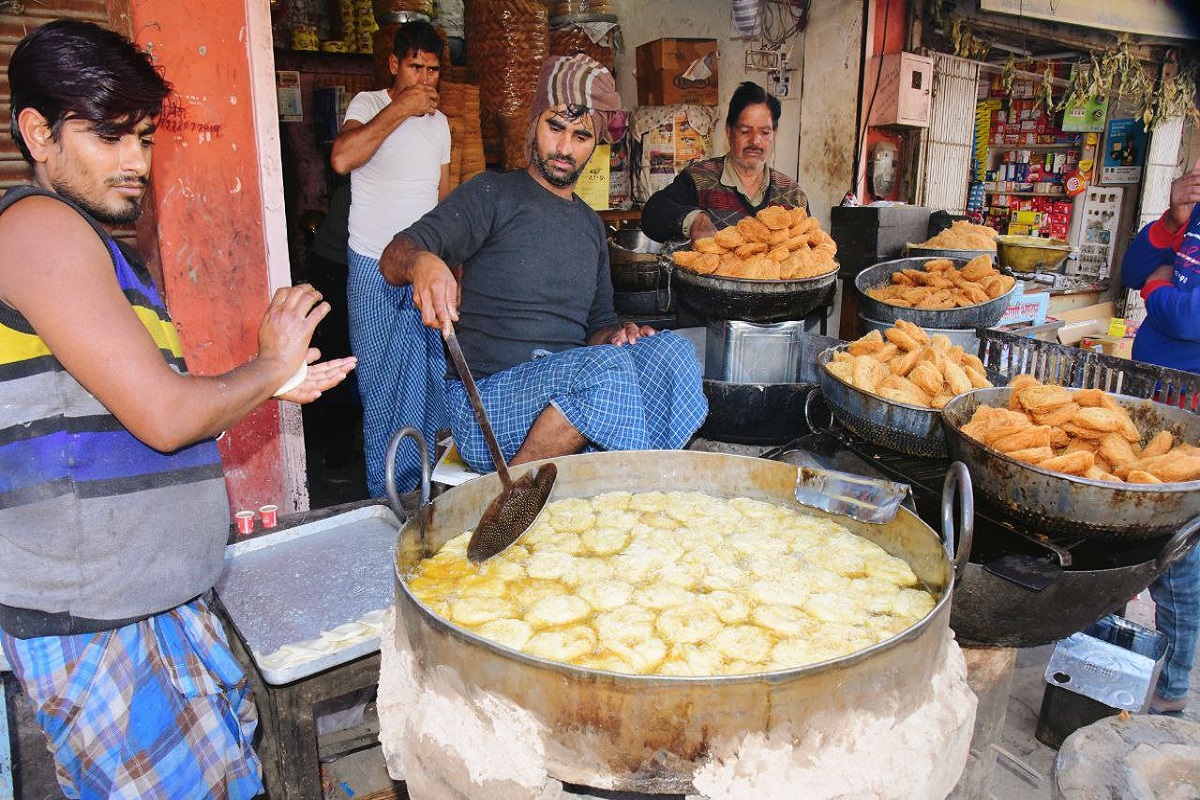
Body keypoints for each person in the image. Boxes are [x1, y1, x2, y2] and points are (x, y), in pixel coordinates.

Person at [0, 20, 356, 798]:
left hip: (148, 607)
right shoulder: (38, 230)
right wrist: (266, 366)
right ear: (38, 133)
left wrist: (270, 384)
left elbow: (133, 427)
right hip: (102, 629)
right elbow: (162, 416)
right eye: (108, 137)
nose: (136, 162)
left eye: (144, 137)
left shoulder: (95, 250)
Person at [378, 53, 707, 473]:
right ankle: (519, 492)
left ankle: (627, 478)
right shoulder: (493, 195)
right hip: (488, 409)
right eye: (555, 127)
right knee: (604, 373)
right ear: (535, 121)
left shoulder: (590, 226)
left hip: (569, 400)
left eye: (582, 136)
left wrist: (617, 334)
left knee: (675, 353)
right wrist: (423, 261)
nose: (565, 148)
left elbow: (597, 325)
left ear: (596, 144)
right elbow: (394, 255)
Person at [330, 20, 450, 497]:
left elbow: (442, 198)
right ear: (394, 65)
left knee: (431, 376)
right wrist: (401, 108)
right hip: (370, 265)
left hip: (422, 264)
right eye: (415, 66)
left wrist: (448, 261)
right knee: (381, 381)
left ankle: (432, 488)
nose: (425, 78)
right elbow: (342, 159)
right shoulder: (369, 105)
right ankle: (390, 498)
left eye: (434, 69)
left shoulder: (440, 124)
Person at [1120, 157, 1200, 716]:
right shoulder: (1193, 219)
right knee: (1131, 530)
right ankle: (1119, 659)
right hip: (1155, 398)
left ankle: (1171, 685)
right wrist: (1171, 222)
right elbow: (1132, 268)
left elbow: (1192, 318)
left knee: (1182, 553)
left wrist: (1156, 290)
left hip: (1194, 407)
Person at [641, 81, 807, 244]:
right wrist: (694, 221)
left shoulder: (793, 195)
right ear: (729, 131)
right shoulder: (699, 179)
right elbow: (652, 214)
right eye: (745, 131)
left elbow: (811, 249)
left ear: (774, 134)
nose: (755, 141)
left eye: (764, 132)